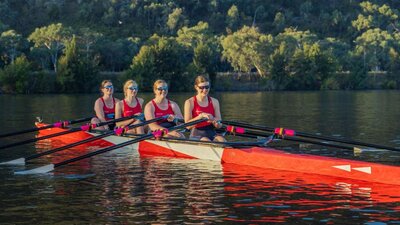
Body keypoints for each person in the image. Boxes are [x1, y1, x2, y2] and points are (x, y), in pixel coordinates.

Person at [184, 75, 226, 142]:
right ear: (196, 87)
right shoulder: (189, 102)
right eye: (201, 87)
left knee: (222, 140)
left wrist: (214, 121)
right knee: (206, 141)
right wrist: (200, 116)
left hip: (211, 132)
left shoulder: (215, 101)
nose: (205, 90)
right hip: (196, 134)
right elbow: (187, 126)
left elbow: (220, 125)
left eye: (207, 87)